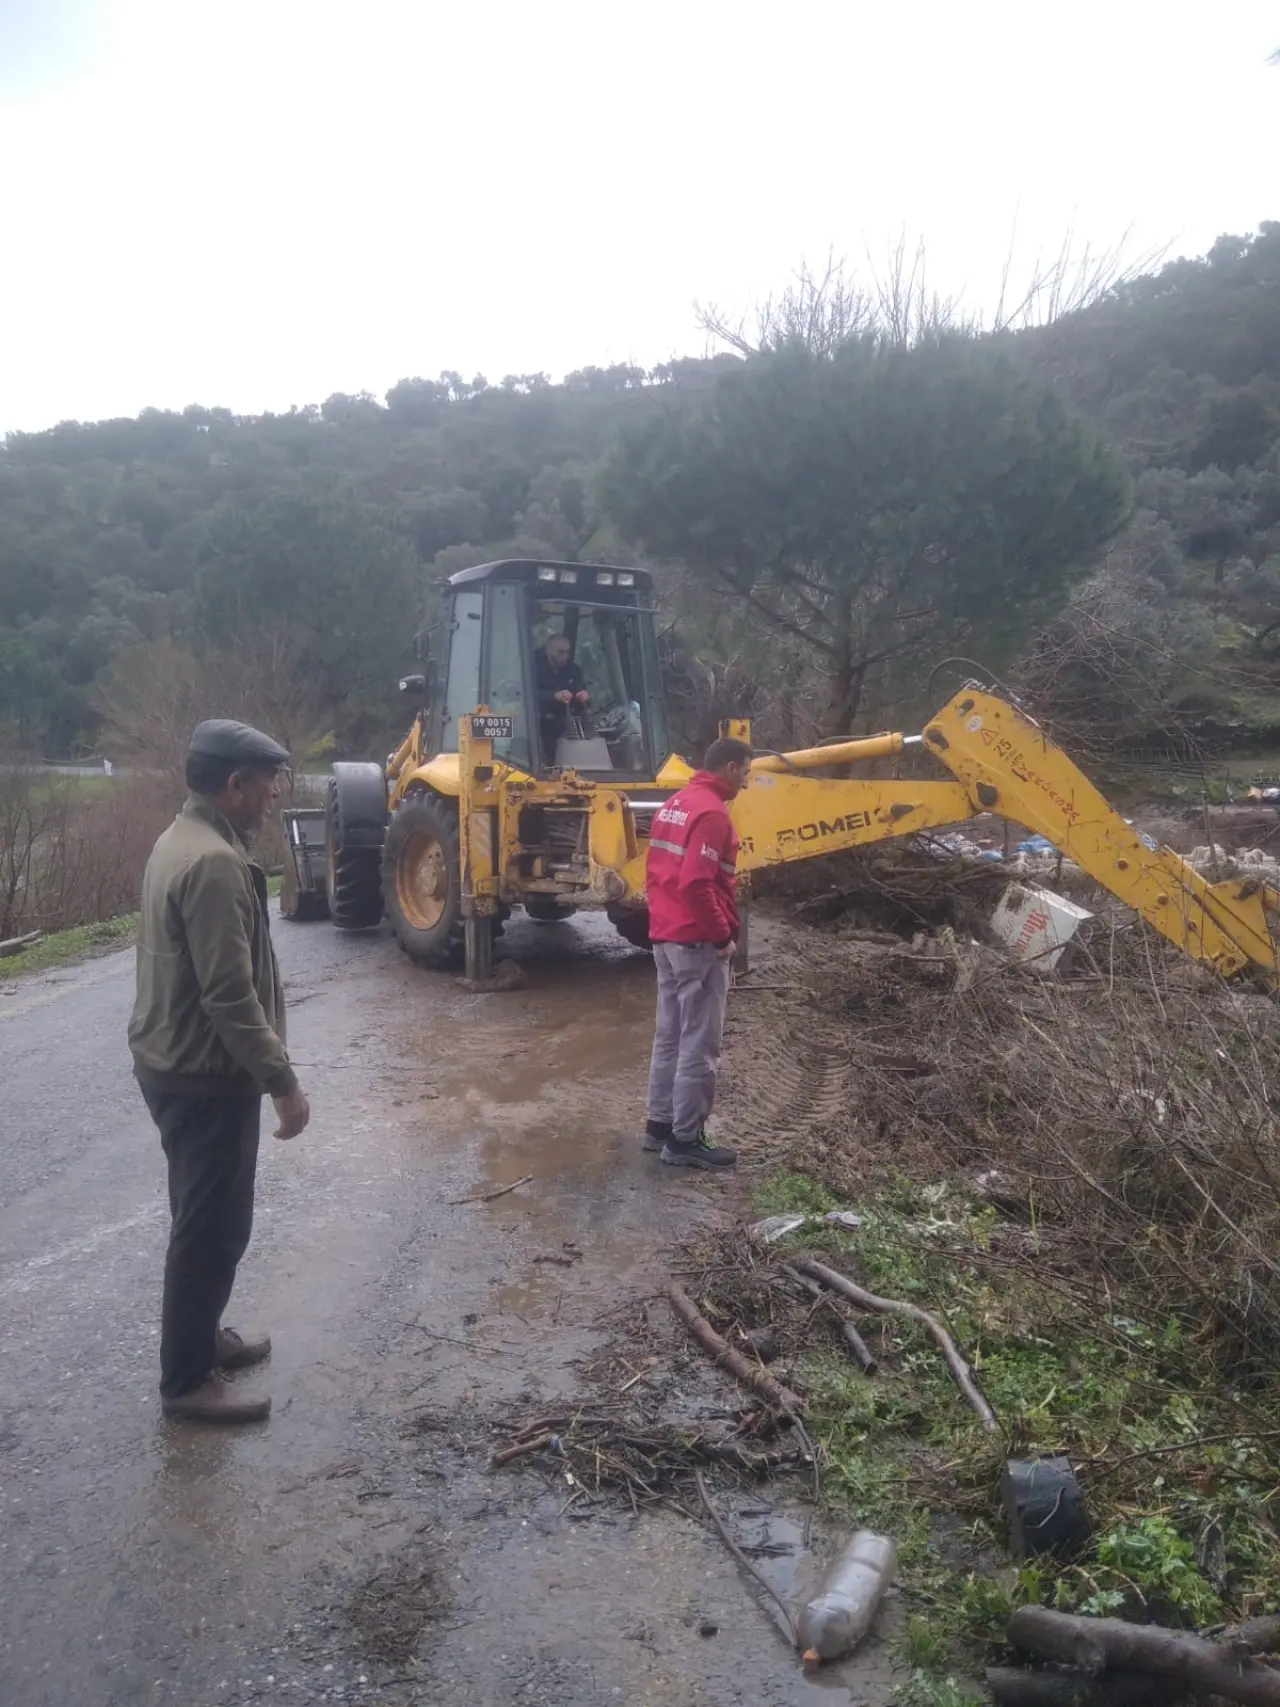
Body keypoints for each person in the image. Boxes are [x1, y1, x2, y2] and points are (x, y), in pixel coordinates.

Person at [129, 719, 310, 1424]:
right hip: (204, 1074)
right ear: (234, 785)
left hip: (174, 1064)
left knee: (198, 1214)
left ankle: (202, 1337)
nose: (271, 799)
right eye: (266, 786)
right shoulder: (212, 863)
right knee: (213, 1226)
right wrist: (283, 1082)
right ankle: (185, 1381)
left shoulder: (182, 838)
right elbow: (229, 995)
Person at [642, 737, 753, 1169]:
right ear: (728, 767)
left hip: (667, 937)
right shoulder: (712, 815)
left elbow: (660, 874)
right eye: (745, 772)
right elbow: (696, 882)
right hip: (696, 942)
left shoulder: (676, 803)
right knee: (699, 1044)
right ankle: (686, 1139)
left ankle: (659, 1125)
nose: (746, 781)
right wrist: (722, 934)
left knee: (668, 1035)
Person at [535, 633, 590, 764]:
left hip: (567, 728)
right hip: (537, 728)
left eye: (567, 652)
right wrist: (554, 697)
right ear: (548, 650)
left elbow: (582, 694)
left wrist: (584, 697)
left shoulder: (573, 671)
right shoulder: (532, 667)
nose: (565, 656)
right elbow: (524, 696)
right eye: (560, 652)